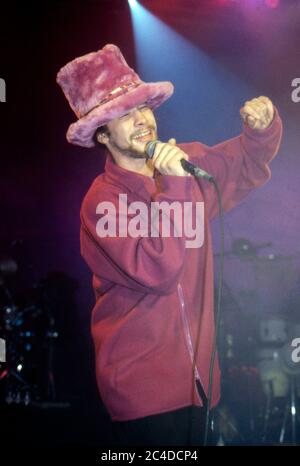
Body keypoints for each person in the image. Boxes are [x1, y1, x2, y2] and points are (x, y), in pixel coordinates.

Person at [56, 44, 283, 445]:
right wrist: (175, 184)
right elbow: (158, 271)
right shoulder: (103, 202)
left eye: (142, 107)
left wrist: (261, 128)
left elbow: (244, 164)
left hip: (201, 387)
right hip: (143, 395)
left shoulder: (183, 163)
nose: (141, 119)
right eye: (124, 115)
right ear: (103, 133)